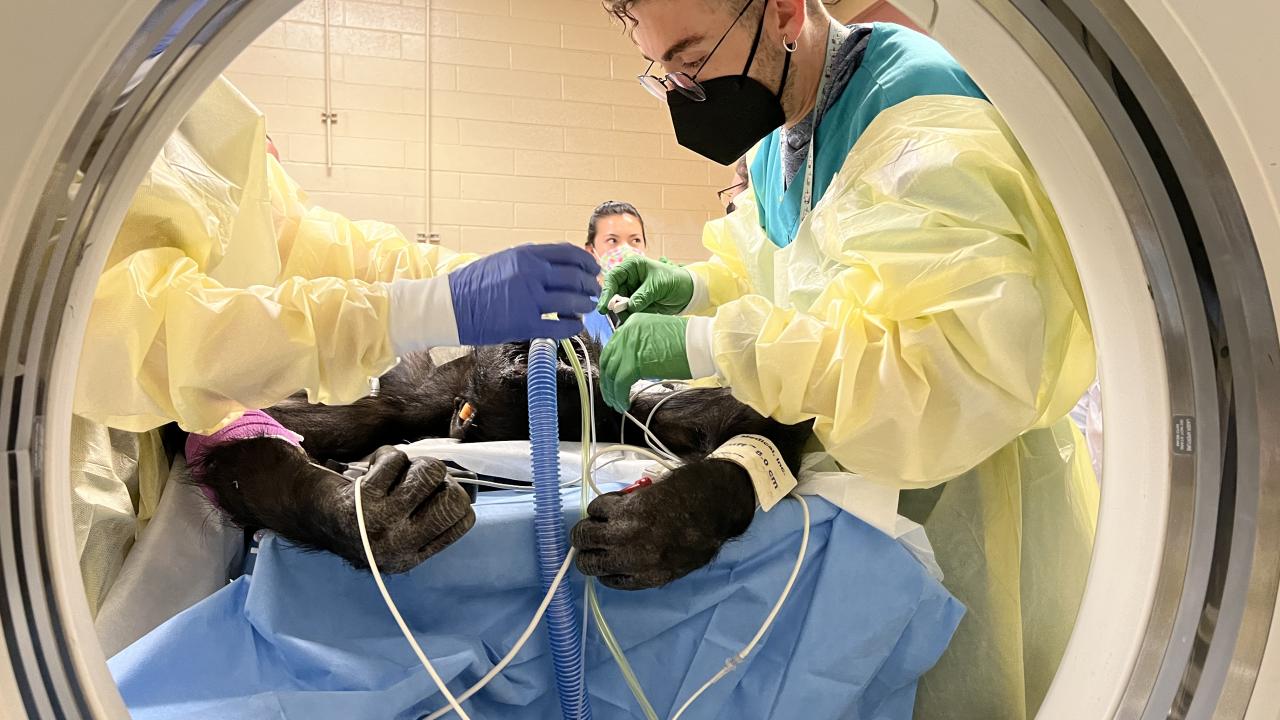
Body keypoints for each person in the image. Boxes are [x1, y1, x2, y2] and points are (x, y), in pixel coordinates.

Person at [583, 1, 1098, 718]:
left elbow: (939, 365)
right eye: (664, 73)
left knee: (971, 692)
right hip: (860, 486)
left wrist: (707, 343)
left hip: (968, 481)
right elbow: (782, 276)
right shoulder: (775, 141)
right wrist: (692, 288)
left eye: (695, 63)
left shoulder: (919, 116)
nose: (684, 95)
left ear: (787, 13)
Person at [73, 76, 600, 615]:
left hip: (188, 453)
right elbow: (146, 336)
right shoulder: (55, 102)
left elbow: (320, 243)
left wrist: (461, 279)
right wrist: (420, 311)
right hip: (71, 464)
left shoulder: (195, 104)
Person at [581, 201, 649, 343]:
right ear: (590, 252)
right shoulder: (578, 313)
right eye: (613, 240)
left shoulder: (659, 308)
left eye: (635, 240)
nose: (626, 250)